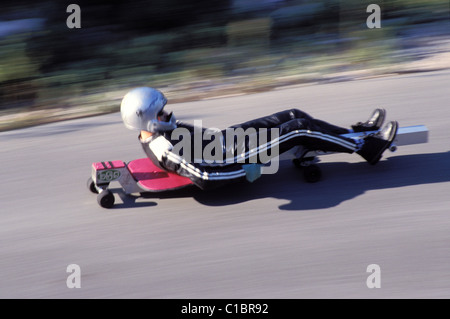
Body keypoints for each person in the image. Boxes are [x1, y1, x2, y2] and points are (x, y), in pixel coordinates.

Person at [120, 87, 398, 189]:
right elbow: (204, 177)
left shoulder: (160, 131)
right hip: (237, 155)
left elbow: (201, 140)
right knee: (300, 129)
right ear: (147, 120)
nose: (168, 112)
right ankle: (366, 148)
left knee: (293, 113)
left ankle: (358, 132)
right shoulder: (164, 146)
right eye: (162, 112)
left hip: (229, 139)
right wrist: (244, 170)